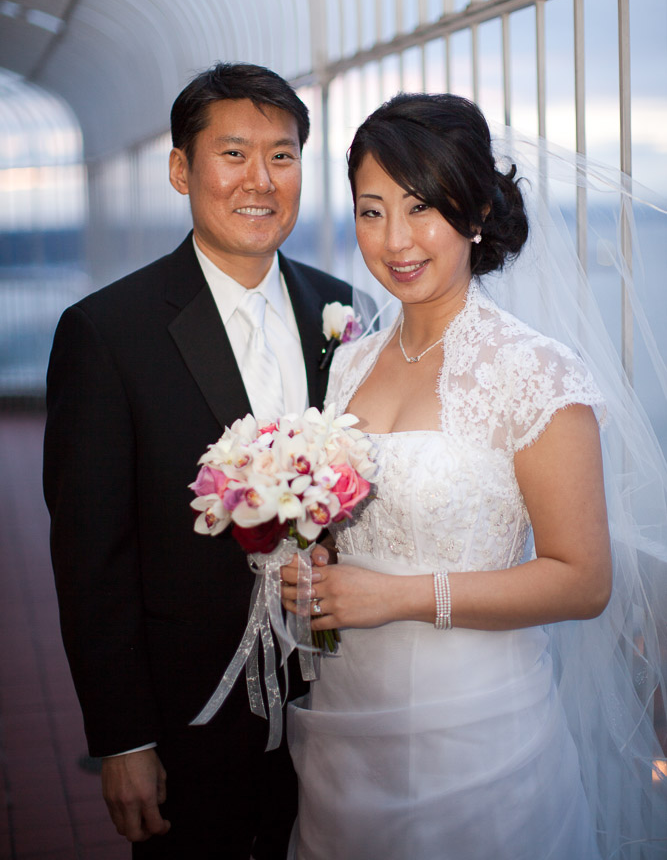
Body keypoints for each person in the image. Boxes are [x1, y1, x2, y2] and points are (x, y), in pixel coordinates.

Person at [281, 93, 667, 858]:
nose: (394, 240)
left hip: (476, 732)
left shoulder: (534, 371)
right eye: (370, 210)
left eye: (419, 206)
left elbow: (582, 581)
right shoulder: (352, 356)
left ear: (477, 208)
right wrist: (312, 563)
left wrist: (395, 596)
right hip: (350, 717)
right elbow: (352, 521)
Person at [44, 61, 353, 858]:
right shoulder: (107, 332)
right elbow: (90, 558)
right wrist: (121, 740)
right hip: (190, 713)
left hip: (345, 697)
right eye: (233, 153)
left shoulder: (342, 310)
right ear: (182, 168)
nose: (261, 180)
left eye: (282, 155)